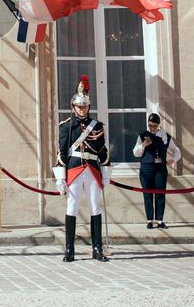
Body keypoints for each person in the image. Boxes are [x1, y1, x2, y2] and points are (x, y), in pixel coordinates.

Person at [53, 75, 111, 262]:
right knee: (72, 206)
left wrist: (106, 173)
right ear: (73, 107)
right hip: (74, 168)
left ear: (88, 107)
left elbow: (102, 151)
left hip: (92, 169)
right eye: (79, 106)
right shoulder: (66, 126)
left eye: (84, 106)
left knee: (95, 206)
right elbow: (62, 152)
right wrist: (60, 177)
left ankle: (97, 249)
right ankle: (69, 249)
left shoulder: (97, 126)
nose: (82, 109)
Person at [132, 113, 181, 228]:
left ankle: (159, 220)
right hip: (146, 168)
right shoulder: (142, 135)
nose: (152, 128)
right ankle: (149, 220)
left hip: (160, 168)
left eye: (154, 125)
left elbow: (176, 150)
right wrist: (143, 145)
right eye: (150, 125)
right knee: (147, 194)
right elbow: (135, 153)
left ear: (158, 125)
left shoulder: (165, 136)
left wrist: (173, 160)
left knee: (160, 193)